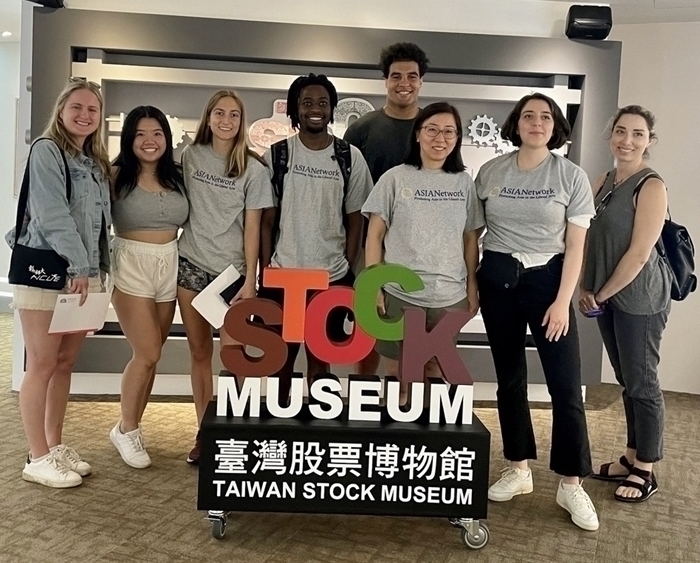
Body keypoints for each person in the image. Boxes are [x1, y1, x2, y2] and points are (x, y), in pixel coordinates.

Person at [475, 93, 598, 531]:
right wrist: (473, 286)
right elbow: (475, 232)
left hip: (550, 283)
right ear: (517, 123)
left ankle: (570, 481)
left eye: (546, 117)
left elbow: (577, 243)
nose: (537, 122)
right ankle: (519, 468)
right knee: (509, 381)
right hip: (499, 281)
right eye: (529, 115)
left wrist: (563, 301)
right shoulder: (491, 172)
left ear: (556, 127)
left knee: (566, 386)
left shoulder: (570, 175)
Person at [6, 79, 111, 488]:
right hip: (50, 275)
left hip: (83, 278)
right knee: (43, 363)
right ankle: (36, 456)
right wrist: (80, 267)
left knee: (65, 363)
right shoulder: (46, 150)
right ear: (61, 109)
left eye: (93, 110)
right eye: (77, 107)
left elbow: (100, 224)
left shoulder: (94, 161)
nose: (85, 115)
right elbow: (51, 215)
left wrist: (95, 271)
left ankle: (54, 446)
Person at [260, 74, 373, 400]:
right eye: (307, 102)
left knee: (321, 362)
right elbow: (267, 220)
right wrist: (265, 270)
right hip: (283, 277)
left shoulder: (349, 157)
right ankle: (283, 432)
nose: (315, 109)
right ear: (295, 108)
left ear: (332, 109)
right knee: (280, 361)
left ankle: (315, 430)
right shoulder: (278, 155)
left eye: (323, 103)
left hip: (331, 278)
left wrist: (347, 270)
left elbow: (356, 221)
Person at [580, 105, 671, 503]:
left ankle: (646, 469)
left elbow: (638, 255)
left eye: (637, 134)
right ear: (610, 135)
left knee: (642, 382)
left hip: (640, 299)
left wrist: (599, 293)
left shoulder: (650, 186)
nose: (627, 140)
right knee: (626, 380)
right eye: (620, 131)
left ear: (649, 141)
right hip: (606, 296)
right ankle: (631, 456)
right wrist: (586, 286)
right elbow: (587, 237)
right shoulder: (602, 180)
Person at [178, 90, 274, 464]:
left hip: (232, 275)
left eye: (234, 115)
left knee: (234, 357)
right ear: (208, 116)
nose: (226, 120)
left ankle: (233, 431)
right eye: (219, 113)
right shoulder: (190, 157)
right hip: (191, 266)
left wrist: (251, 280)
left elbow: (253, 229)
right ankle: (205, 432)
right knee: (199, 352)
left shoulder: (253, 168)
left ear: (241, 122)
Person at [361, 102, 483, 397]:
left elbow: (470, 239)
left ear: (456, 139)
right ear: (417, 135)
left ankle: (426, 439)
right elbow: (374, 236)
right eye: (431, 129)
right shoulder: (394, 178)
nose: (439, 138)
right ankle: (398, 439)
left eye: (449, 132)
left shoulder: (464, 183)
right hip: (398, 293)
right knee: (396, 372)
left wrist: (471, 287)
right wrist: (374, 286)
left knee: (434, 372)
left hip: (447, 296)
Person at [109, 106, 189, 469]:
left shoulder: (178, 176)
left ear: (166, 138)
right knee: (148, 353)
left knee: (152, 357)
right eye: (140, 134)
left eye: (156, 133)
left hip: (168, 262)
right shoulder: (113, 175)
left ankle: (133, 427)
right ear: (129, 139)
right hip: (130, 263)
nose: (149, 141)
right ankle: (125, 428)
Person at [344, 42, 430, 376]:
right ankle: (364, 394)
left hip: (419, 248)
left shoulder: (433, 129)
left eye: (412, 76)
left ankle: (404, 402)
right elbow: (346, 189)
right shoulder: (361, 130)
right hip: (370, 244)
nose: (404, 83)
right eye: (396, 76)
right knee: (370, 323)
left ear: (421, 81)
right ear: (385, 80)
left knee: (413, 327)